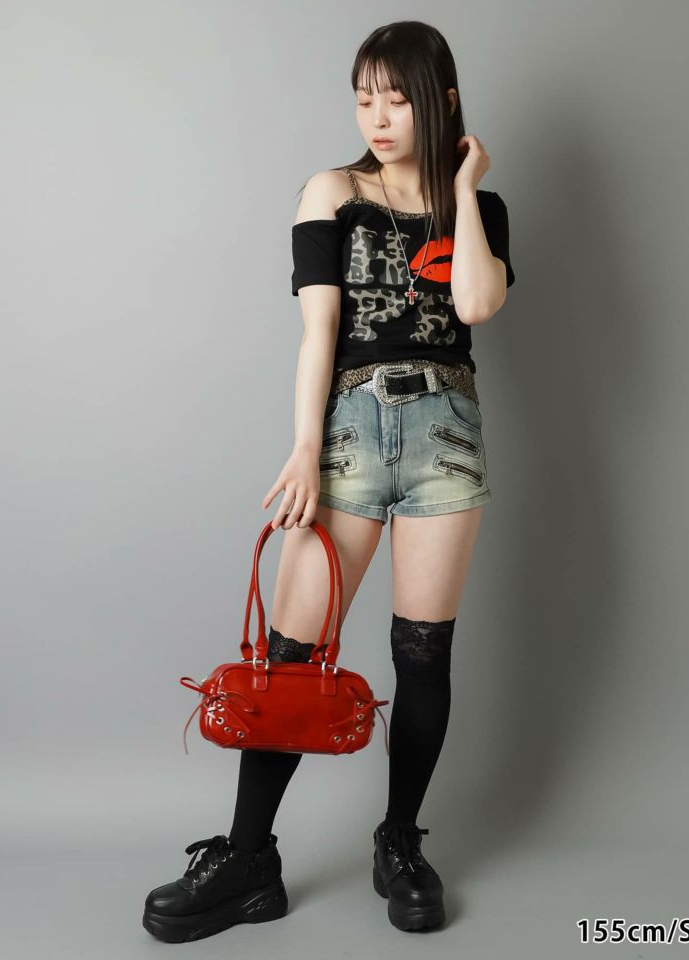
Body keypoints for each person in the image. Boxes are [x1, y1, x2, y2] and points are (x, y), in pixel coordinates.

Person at [142, 18, 515, 942]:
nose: (377, 118)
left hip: (447, 437)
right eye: (363, 99)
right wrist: (306, 447)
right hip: (350, 430)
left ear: (441, 101)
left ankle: (399, 842)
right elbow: (318, 332)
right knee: (291, 653)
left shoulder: (481, 206)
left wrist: (465, 190)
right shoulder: (332, 191)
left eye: (397, 99)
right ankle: (248, 860)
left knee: (422, 653)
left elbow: (476, 304)